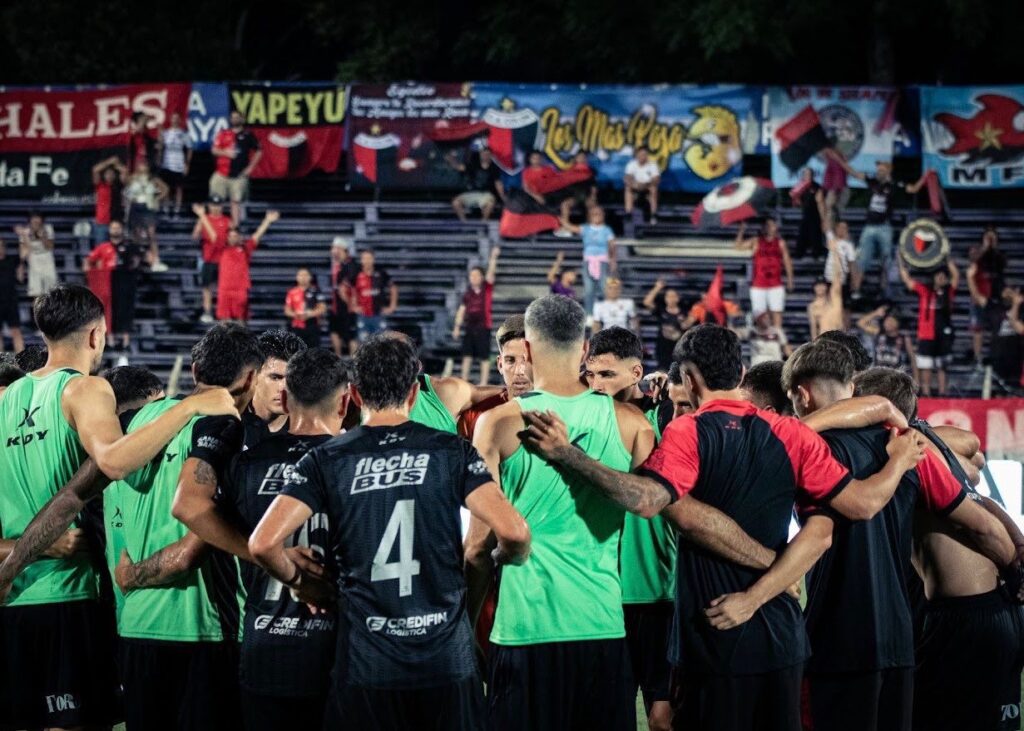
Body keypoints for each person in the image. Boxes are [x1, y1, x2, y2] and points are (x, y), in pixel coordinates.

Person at [518, 323, 929, 731]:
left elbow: (646, 500)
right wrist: (898, 460)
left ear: (690, 379)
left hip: (712, 636)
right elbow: (850, 511)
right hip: (782, 641)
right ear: (742, 374)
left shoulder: (688, 431)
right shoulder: (789, 432)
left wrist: (566, 454)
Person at [248, 333, 531, 730]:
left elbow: (262, 543)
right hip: (445, 658)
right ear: (414, 394)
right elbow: (514, 533)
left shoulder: (327, 459)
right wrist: (504, 559)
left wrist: (300, 581)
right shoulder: (452, 450)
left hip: (367, 661)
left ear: (356, 395)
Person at [0, 286, 237, 730]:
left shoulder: (6, 399)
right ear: (97, 335)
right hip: (68, 591)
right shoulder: (85, 389)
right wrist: (188, 407)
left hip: (15, 597)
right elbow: (114, 461)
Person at [751, 343, 1018, 731]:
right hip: (899, 637)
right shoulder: (911, 447)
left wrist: (752, 597)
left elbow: (834, 524)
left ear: (802, 394)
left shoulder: (807, 446)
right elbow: (980, 507)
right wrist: (1017, 565)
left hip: (836, 636)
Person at [468, 295, 655, 731]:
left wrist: (466, 622)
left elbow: (478, 546)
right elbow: (652, 505)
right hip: (602, 626)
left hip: (524, 629)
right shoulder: (632, 423)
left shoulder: (496, 423)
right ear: (585, 348)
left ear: (528, 350)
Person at [110, 323, 264, 730]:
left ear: (194, 370)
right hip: (204, 629)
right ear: (251, 378)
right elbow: (194, 542)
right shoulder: (228, 427)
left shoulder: (139, 420)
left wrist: (130, 577)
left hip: (137, 627)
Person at [854, 367, 1024, 731]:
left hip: (966, 617)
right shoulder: (935, 442)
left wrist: (1016, 567)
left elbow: (979, 523)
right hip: (993, 609)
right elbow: (979, 485)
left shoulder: (903, 452)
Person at [218, 348, 350, 731]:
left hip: (265, 644)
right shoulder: (355, 463)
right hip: (341, 649)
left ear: (288, 399)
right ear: (345, 401)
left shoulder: (246, 462)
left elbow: (197, 515)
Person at [582, 326, 676, 731]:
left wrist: (670, 389)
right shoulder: (583, 421)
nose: (597, 384)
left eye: (607, 375)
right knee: (607, 712)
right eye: (591, 374)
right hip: (602, 595)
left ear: (636, 371)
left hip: (659, 592)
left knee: (663, 715)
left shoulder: (664, 416)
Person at [840, 159, 925, 298]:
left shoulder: (894, 185)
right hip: (869, 226)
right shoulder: (872, 182)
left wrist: (926, 175)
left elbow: (914, 188)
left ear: (888, 171)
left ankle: (885, 290)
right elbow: (854, 174)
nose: (878, 172)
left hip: (884, 226)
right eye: (878, 170)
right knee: (861, 259)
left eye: (881, 170)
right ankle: (856, 291)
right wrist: (841, 162)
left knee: (886, 260)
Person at [899, 258, 959, 396]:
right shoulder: (925, 291)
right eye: (938, 276)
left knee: (942, 365)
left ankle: (943, 393)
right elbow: (908, 281)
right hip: (926, 333)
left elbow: (956, 275)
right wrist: (902, 265)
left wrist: (946, 256)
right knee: (925, 365)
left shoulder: (949, 291)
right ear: (934, 278)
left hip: (944, 334)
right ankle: (926, 393)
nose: (941, 278)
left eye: (943, 277)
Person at [241, 329, 308, 447]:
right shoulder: (228, 424)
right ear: (253, 376)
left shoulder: (309, 431)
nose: (285, 388)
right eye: (275, 377)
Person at [216, 209, 281, 323]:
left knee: (241, 320)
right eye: (230, 236)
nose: (232, 238)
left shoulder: (245, 248)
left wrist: (267, 220)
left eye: (235, 236)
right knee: (224, 321)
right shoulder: (221, 249)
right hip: (224, 289)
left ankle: (242, 341)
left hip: (240, 289)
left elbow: (257, 235)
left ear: (239, 237)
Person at [452, 246, 500, 386]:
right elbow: (461, 310)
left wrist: (493, 258)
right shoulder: (467, 293)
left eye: (476, 275)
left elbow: (491, 273)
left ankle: (483, 382)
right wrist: (457, 326)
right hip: (470, 327)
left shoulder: (487, 288)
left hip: (483, 326)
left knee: (483, 357)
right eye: (471, 276)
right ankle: (464, 380)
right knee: (467, 356)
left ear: (481, 277)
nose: (473, 278)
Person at [559, 205, 617, 319]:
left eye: (599, 213)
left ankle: (604, 313)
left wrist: (613, 260)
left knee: (603, 287)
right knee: (589, 289)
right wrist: (562, 216)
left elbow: (612, 245)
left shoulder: (607, 230)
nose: (596, 216)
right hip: (588, 262)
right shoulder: (586, 228)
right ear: (590, 216)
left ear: (603, 215)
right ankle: (589, 314)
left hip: (602, 261)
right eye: (594, 214)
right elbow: (570, 227)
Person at [735, 218, 794, 331]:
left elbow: (787, 261)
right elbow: (738, 246)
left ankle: (777, 340)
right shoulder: (756, 241)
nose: (770, 228)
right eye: (767, 225)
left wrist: (790, 280)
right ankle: (761, 339)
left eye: (772, 225)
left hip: (776, 283)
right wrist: (741, 230)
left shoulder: (780, 243)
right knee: (759, 315)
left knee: (776, 313)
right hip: (758, 284)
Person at [211, 110, 263, 226]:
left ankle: (235, 228)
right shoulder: (223, 133)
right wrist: (226, 153)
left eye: (236, 117)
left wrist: (250, 168)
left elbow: (259, 151)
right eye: (232, 117)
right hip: (222, 173)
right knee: (216, 201)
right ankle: (216, 226)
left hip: (238, 175)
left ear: (241, 119)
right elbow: (214, 150)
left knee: (236, 202)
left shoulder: (248, 135)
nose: (234, 119)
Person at [967, 226, 1007, 367]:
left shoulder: (999, 255)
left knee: (996, 330)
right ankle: (977, 358)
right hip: (978, 297)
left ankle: (993, 358)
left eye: (993, 237)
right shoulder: (976, 252)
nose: (990, 240)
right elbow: (972, 260)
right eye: (988, 237)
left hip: (994, 298)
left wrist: (993, 248)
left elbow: (1003, 264)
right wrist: (985, 247)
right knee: (977, 330)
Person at [124, 159, 169, 271]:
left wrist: (157, 198)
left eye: (144, 165)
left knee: (151, 234)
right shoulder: (132, 178)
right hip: (136, 207)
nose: (142, 167)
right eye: (140, 165)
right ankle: (136, 260)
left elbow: (165, 189)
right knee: (136, 235)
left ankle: (156, 261)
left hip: (148, 208)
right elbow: (125, 187)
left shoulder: (153, 180)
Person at [192, 198, 232, 323]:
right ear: (209, 206)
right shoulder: (203, 219)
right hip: (208, 259)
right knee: (207, 288)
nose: (216, 208)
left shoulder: (227, 221)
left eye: (218, 205)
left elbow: (216, 239)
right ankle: (207, 312)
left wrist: (202, 215)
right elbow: (195, 236)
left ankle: (223, 313)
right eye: (213, 205)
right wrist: (201, 219)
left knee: (223, 288)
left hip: (223, 260)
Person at [347, 250, 398, 341]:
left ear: (373, 260)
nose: (367, 261)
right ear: (361, 260)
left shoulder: (381, 273)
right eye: (364, 258)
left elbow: (393, 288)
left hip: (378, 313)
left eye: (369, 258)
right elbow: (349, 289)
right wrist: (353, 305)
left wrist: (392, 306)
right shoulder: (356, 274)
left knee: (381, 342)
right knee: (364, 343)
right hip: (363, 315)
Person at [857, 305, 917, 377]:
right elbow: (860, 323)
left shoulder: (904, 338)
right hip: (879, 376)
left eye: (891, 321)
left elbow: (912, 358)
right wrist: (876, 313)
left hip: (897, 377)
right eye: (886, 321)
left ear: (898, 323)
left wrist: (916, 378)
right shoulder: (879, 332)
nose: (888, 323)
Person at [83, 222, 119, 341]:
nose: (116, 230)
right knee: (104, 310)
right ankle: (106, 338)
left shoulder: (125, 246)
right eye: (114, 227)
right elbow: (88, 260)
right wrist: (89, 270)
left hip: (119, 283)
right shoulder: (103, 247)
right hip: (105, 284)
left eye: (118, 228)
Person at [807, 237, 848, 340]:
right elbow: (813, 329)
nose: (820, 287)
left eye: (822, 284)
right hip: (823, 341)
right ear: (814, 287)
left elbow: (838, 275)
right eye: (817, 285)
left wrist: (834, 252)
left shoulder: (834, 298)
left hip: (839, 339)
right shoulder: (812, 306)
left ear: (826, 286)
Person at [643, 278, 687, 370]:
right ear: (665, 298)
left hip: (678, 349)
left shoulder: (684, 312)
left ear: (678, 298)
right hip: (662, 349)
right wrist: (657, 287)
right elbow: (647, 302)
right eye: (668, 296)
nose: (671, 299)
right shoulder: (661, 310)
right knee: (663, 375)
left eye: (673, 296)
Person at [451, 147, 505, 221]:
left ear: (491, 156)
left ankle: (483, 223)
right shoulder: (473, 165)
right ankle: (464, 223)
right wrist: (451, 159)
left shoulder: (494, 168)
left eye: (487, 154)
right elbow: (459, 167)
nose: (485, 156)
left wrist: (503, 198)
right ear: (480, 155)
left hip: (485, 194)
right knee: (455, 203)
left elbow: (498, 184)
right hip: (471, 193)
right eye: (483, 154)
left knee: (490, 204)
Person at [15, 211, 57, 301]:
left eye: (38, 218)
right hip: (33, 261)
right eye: (33, 218)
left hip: (47, 260)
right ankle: (38, 313)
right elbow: (23, 251)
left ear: (42, 220)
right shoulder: (25, 232)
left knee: (50, 291)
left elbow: (50, 246)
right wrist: (21, 266)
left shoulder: (48, 229)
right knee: (36, 293)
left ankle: (51, 313)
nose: (35, 221)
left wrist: (41, 235)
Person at [157, 111, 192, 217]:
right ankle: (166, 208)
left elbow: (190, 149)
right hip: (167, 164)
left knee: (178, 188)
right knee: (166, 187)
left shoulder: (184, 133)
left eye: (177, 118)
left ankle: (177, 210)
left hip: (179, 164)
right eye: (173, 118)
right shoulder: (165, 133)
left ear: (180, 120)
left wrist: (187, 164)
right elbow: (160, 146)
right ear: (170, 120)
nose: (175, 120)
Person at [329, 236, 358, 356]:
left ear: (342, 249)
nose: (332, 251)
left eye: (335, 248)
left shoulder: (351, 265)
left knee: (351, 336)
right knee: (334, 331)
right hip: (336, 306)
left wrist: (350, 304)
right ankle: (338, 359)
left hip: (348, 307)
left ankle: (353, 363)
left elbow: (348, 287)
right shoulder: (337, 264)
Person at [285, 268, 327, 349]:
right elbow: (287, 310)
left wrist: (310, 314)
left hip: (312, 324)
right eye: (301, 275)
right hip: (296, 326)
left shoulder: (316, 291)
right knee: (296, 351)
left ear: (310, 277)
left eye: (305, 275)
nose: (303, 277)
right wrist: (295, 314)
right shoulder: (292, 292)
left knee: (313, 352)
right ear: (297, 277)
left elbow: (322, 308)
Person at [91, 155, 127, 244]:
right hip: (102, 221)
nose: (110, 176)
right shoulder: (100, 185)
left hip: (116, 221)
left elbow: (125, 171)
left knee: (117, 247)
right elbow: (95, 170)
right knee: (101, 247)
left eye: (112, 174)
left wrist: (117, 164)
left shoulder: (118, 186)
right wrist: (109, 161)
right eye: (107, 174)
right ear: (104, 175)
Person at [793, 168, 825, 259]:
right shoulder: (800, 186)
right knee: (802, 235)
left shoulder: (816, 186)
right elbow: (797, 202)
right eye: (805, 174)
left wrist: (823, 218)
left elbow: (821, 203)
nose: (807, 176)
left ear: (812, 175)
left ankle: (817, 255)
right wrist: (796, 198)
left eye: (808, 174)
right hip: (805, 214)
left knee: (815, 234)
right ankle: (799, 254)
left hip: (815, 214)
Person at [0, 237, 25, 354]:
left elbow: (20, 279)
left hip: (11, 301)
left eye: (2, 246)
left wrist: (23, 236)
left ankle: (23, 365)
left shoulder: (12, 261)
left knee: (16, 331)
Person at [624, 145, 661, 223]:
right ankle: (628, 213)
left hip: (647, 187)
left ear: (647, 156)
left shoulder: (653, 165)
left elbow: (656, 179)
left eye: (644, 155)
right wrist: (634, 184)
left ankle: (653, 214)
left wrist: (646, 185)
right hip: (635, 187)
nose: (642, 156)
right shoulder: (631, 165)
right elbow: (627, 178)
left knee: (653, 189)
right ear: (637, 155)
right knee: (628, 189)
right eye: (640, 154)